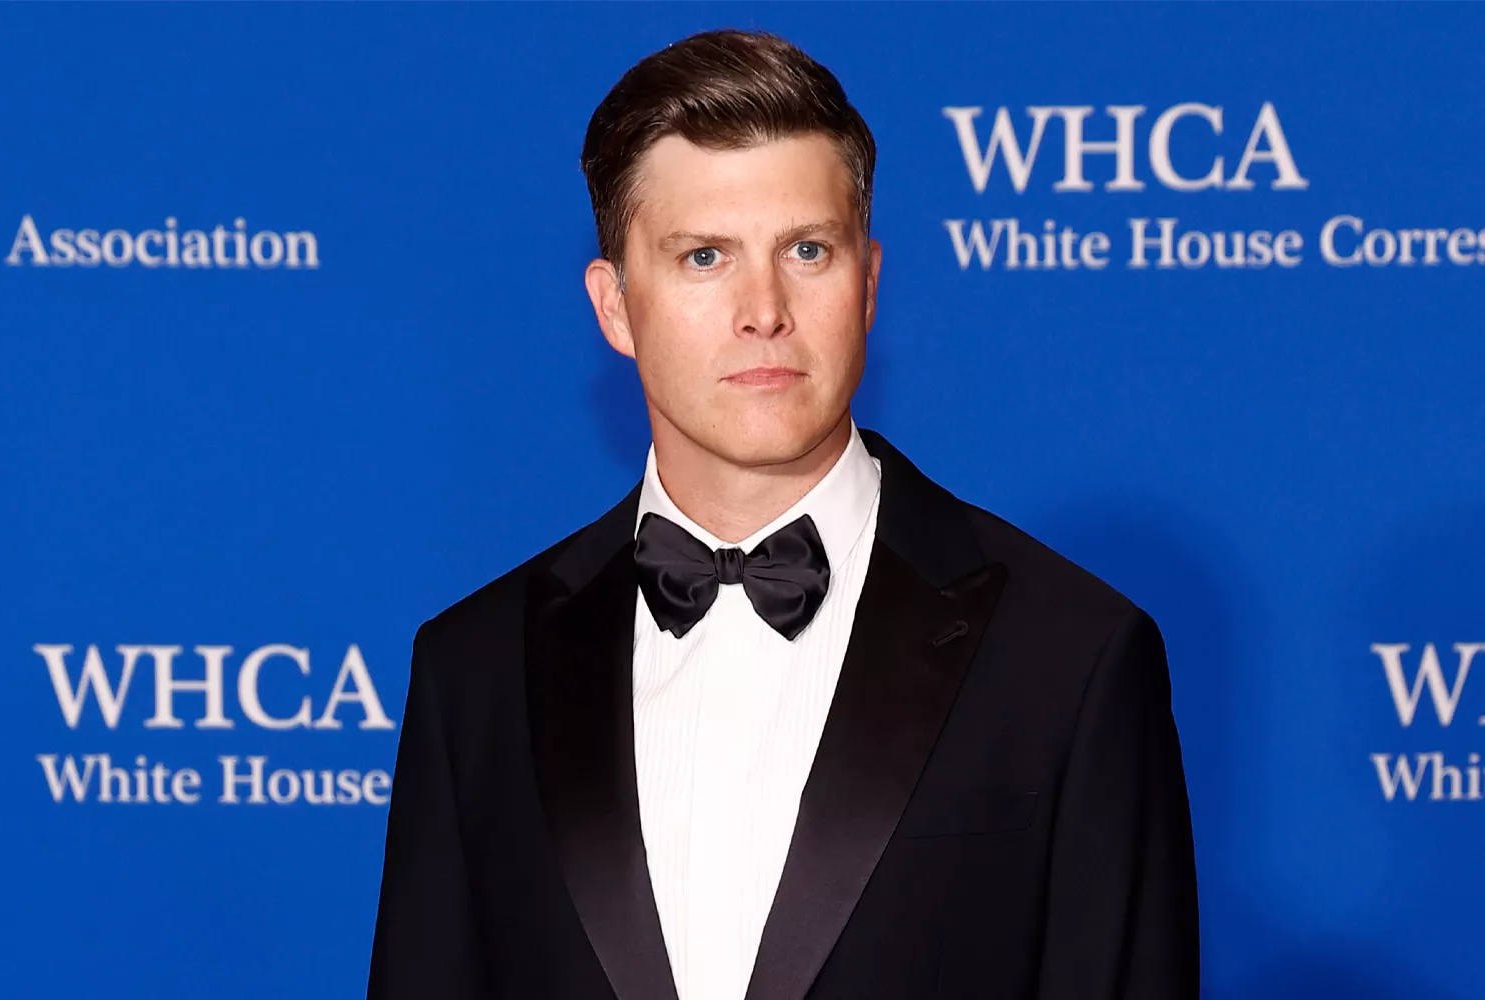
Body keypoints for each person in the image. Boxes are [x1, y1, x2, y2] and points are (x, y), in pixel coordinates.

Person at [367, 27, 1198, 1000]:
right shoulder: (475, 673)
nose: (763, 308)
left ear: (870, 281)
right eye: (704, 256)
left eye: (807, 249)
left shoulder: (1070, 658)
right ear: (615, 306)